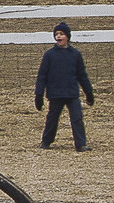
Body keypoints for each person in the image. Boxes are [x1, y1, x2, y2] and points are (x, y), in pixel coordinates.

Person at [34, 23, 96, 152]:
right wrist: (38, 95)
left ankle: (81, 144)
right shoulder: (49, 55)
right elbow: (42, 76)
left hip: (72, 93)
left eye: (61, 34)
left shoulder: (75, 54)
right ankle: (46, 141)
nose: (58, 36)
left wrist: (89, 92)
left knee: (77, 118)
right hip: (55, 94)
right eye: (56, 34)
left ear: (67, 36)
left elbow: (82, 75)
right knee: (52, 119)